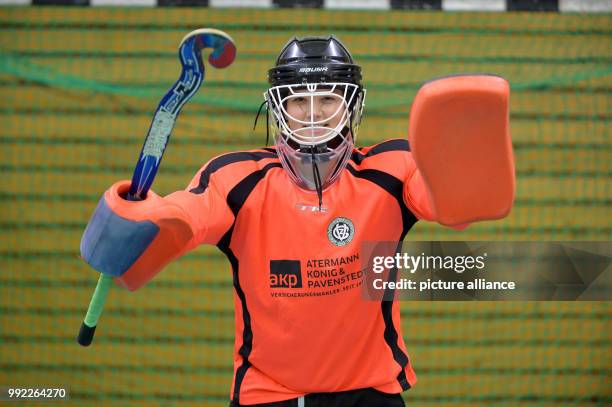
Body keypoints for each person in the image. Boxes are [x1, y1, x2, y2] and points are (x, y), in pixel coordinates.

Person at [81, 35, 514, 406]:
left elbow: (445, 201)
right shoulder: (236, 178)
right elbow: (187, 217)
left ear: (350, 106)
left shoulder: (392, 169)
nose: (312, 114)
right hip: (267, 395)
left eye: (327, 98)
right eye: (298, 101)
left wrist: (464, 170)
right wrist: (142, 218)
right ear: (278, 109)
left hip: (371, 394)